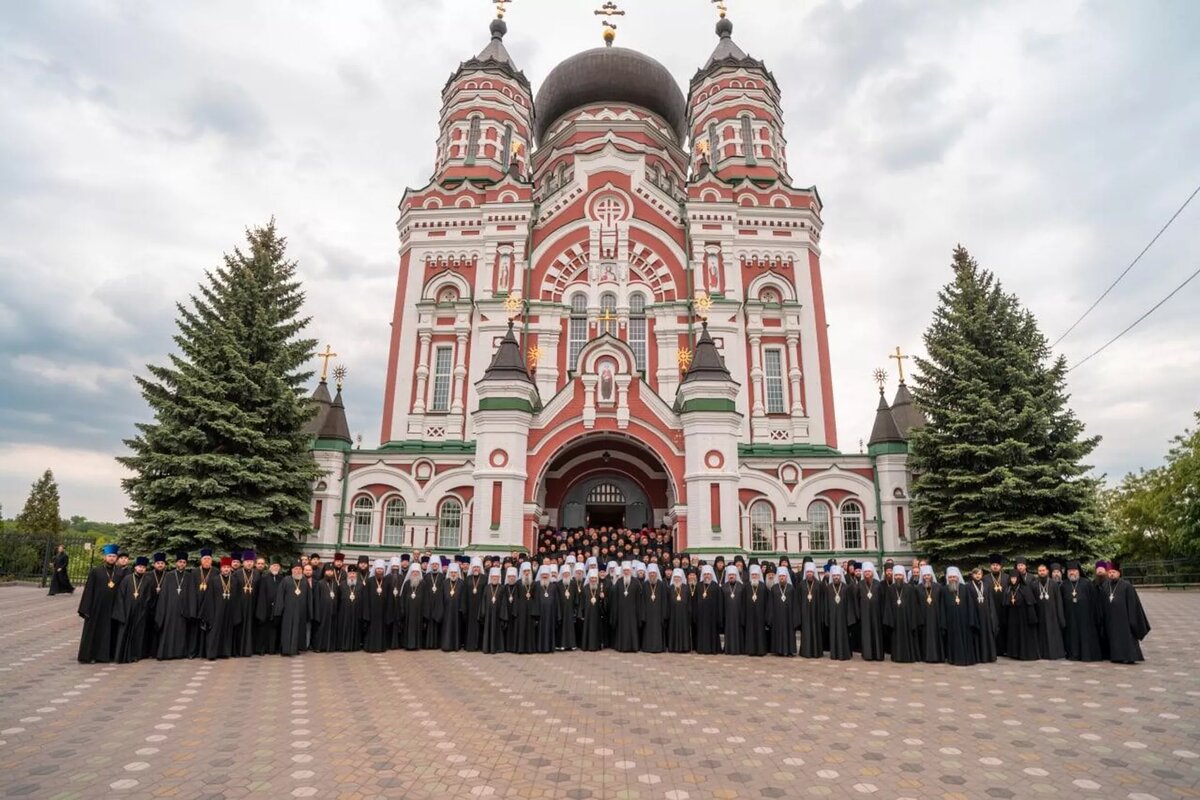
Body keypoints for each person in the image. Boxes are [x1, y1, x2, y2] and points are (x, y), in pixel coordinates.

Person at [77, 543, 122, 663]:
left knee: (111, 631)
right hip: (97, 608)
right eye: (109, 556)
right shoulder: (96, 571)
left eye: (113, 556)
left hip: (114, 607)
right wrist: (86, 608)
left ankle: (109, 655)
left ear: (116, 558)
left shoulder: (120, 572)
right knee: (95, 632)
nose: (111, 558)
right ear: (105, 557)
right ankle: (92, 656)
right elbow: (89, 590)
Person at [1100, 563, 1151, 664]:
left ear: (1119, 573)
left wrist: (1132, 620)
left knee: (1126, 637)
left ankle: (1129, 656)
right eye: (1109, 572)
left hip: (1125, 619)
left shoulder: (1127, 586)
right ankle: (1116, 657)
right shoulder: (1105, 585)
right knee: (1113, 637)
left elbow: (1133, 604)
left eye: (1113, 572)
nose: (1111, 574)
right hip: (1110, 619)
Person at [112, 556, 153, 663]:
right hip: (126, 611)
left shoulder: (148, 580)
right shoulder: (127, 579)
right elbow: (120, 596)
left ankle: (135, 655)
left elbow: (149, 597)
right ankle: (121, 655)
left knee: (138, 635)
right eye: (139, 566)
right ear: (135, 567)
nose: (141, 569)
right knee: (124, 633)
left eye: (143, 567)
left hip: (140, 612)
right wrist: (122, 611)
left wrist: (144, 610)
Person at [1062, 561, 1103, 662]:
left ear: (1078, 571)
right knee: (1072, 636)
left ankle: (1086, 655)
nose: (1072, 573)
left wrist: (1094, 616)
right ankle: (1073, 655)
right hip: (1070, 617)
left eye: (1074, 570)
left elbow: (1094, 601)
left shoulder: (1087, 583)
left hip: (1086, 617)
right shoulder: (1064, 585)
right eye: (1070, 571)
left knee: (1085, 635)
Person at [199, 556, 238, 660]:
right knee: (215, 632)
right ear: (221, 568)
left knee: (227, 631)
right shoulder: (214, 580)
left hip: (229, 610)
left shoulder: (234, 580)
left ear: (230, 568)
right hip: (216, 611)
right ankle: (212, 654)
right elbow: (209, 598)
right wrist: (210, 614)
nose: (226, 569)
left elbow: (237, 598)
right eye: (224, 567)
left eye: (228, 567)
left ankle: (225, 652)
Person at [883, 566, 919, 663]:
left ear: (903, 576)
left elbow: (913, 606)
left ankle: (908, 657)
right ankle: (897, 657)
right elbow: (888, 605)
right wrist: (889, 620)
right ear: (894, 576)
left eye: (900, 575)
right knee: (896, 638)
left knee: (908, 637)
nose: (898, 577)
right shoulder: (890, 589)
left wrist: (913, 620)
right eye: (897, 575)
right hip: (895, 620)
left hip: (907, 619)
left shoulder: (910, 588)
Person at [1031, 562, 1066, 660]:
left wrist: (1060, 618)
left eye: (1043, 570)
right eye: (1040, 571)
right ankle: (1042, 654)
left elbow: (1058, 601)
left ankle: (1054, 653)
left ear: (1047, 571)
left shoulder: (1054, 584)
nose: (1042, 572)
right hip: (1040, 614)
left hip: (1052, 615)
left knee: (1052, 634)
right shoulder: (1034, 585)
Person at [942, 567, 977, 667]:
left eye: (954, 577)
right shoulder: (944, 590)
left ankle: (967, 659)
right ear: (948, 578)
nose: (952, 579)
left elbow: (970, 605)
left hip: (964, 621)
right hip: (951, 621)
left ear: (958, 577)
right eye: (950, 577)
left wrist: (971, 620)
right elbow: (942, 607)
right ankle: (953, 659)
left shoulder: (964, 588)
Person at [275, 562, 311, 657]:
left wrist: (309, 612)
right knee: (287, 630)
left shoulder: (304, 581)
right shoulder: (286, 580)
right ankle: (285, 650)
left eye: (299, 569)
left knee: (298, 630)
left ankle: (295, 649)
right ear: (292, 570)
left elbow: (309, 598)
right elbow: (280, 596)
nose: (298, 571)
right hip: (288, 611)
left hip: (301, 611)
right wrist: (279, 611)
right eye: (295, 569)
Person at [1003, 568, 1039, 661]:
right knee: (1014, 634)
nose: (1013, 580)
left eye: (1015, 578)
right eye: (1012, 578)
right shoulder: (1008, 589)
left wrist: (1031, 618)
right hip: (1013, 617)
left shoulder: (1025, 588)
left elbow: (1030, 603)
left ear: (1019, 578)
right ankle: (1014, 653)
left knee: (1023, 635)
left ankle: (1023, 654)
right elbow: (1006, 604)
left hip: (1023, 617)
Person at [824, 565, 856, 661]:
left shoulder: (846, 588)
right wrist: (826, 617)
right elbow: (826, 604)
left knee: (844, 635)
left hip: (843, 617)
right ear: (832, 577)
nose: (836, 577)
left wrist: (849, 618)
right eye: (834, 576)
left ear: (841, 576)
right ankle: (834, 654)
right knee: (833, 634)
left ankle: (844, 654)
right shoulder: (828, 588)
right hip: (832, 616)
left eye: (838, 575)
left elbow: (849, 604)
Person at [230, 550, 258, 658]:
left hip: (252, 605)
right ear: (243, 562)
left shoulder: (256, 574)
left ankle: (249, 650)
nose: (249, 563)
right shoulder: (236, 574)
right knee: (239, 628)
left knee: (251, 628)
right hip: (240, 606)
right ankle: (238, 650)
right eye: (247, 561)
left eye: (251, 561)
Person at [856, 561, 885, 662]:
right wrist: (858, 613)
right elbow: (856, 600)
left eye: (869, 571)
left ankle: (878, 655)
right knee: (866, 634)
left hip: (876, 614)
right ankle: (867, 655)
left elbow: (882, 600)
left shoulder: (878, 584)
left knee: (877, 634)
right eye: (866, 572)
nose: (867, 573)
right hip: (864, 615)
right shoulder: (859, 585)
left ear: (872, 572)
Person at [968, 566, 999, 664]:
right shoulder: (968, 586)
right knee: (977, 635)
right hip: (975, 614)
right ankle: (978, 656)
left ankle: (988, 656)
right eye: (975, 574)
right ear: (972, 575)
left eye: (979, 574)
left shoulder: (986, 585)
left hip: (986, 616)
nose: (977, 576)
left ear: (982, 575)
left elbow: (990, 601)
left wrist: (992, 614)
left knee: (987, 634)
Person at [915, 565, 945, 663]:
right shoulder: (918, 588)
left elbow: (941, 603)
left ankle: (937, 657)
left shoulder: (938, 587)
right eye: (925, 575)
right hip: (923, 618)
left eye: (928, 575)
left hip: (936, 618)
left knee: (936, 637)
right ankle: (925, 656)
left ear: (931, 576)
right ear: (922, 576)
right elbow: (917, 604)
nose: (927, 577)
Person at [609, 562, 642, 653]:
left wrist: (638, 612)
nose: (626, 572)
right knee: (622, 629)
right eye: (625, 571)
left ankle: (633, 646)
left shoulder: (636, 582)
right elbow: (614, 598)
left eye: (628, 570)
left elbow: (639, 599)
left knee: (632, 629)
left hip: (633, 612)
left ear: (630, 571)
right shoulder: (619, 582)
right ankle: (621, 646)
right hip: (621, 612)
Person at [766, 566, 798, 657]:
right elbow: (770, 604)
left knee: (789, 633)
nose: (782, 578)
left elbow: (795, 604)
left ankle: (789, 650)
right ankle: (778, 650)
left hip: (789, 617)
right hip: (777, 616)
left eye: (783, 576)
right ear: (778, 577)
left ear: (786, 577)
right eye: (780, 576)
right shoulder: (774, 588)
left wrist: (795, 618)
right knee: (778, 632)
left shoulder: (791, 588)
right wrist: (770, 617)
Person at [310, 564, 339, 653]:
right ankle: (319, 647)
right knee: (321, 629)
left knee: (331, 629)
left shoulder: (335, 584)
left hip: (333, 611)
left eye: (331, 571)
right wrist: (317, 613)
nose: (329, 573)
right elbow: (316, 599)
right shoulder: (320, 583)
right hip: (322, 612)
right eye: (328, 571)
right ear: (324, 572)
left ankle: (329, 647)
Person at [531, 566, 560, 654]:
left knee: (549, 630)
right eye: (543, 574)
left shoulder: (553, 586)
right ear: (540, 575)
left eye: (546, 574)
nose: (544, 576)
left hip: (550, 614)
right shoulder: (536, 585)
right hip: (540, 613)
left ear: (549, 575)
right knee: (540, 631)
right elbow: (533, 598)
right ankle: (540, 648)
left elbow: (556, 601)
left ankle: (549, 648)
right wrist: (535, 614)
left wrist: (557, 614)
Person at [797, 563, 824, 658]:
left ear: (813, 573)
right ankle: (805, 652)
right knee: (806, 632)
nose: (809, 574)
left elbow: (822, 600)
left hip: (816, 613)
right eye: (808, 572)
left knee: (816, 631)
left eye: (811, 572)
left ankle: (817, 652)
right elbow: (798, 600)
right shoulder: (801, 584)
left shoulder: (819, 584)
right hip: (804, 613)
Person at [396, 565, 425, 651]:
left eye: (417, 572)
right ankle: (408, 645)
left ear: (419, 573)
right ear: (411, 573)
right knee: (408, 627)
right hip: (408, 611)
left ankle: (416, 645)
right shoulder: (407, 583)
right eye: (413, 572)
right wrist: (402, 609)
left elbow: (426, 598)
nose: (415, 573)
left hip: (419, 612)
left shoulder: (423, 583)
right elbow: (402, 598)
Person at [693, 565, 721, 654]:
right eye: (705, 574)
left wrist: (719, 617)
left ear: (711, 575)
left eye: (708, 574)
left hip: (712, 615)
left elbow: (719, 604)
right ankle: (701, 649)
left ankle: (712, 649)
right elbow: (694, 601)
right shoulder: (698, 585)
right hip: (701, 616)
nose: (706, 576)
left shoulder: (716, 586)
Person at [336, 566, 364, 652]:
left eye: (354, 573)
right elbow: (338, 599)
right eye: (350, 573)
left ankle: (354, 646)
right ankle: (343, 646)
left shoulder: (360, 585)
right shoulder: (342, 584)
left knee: (355, 628)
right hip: (344, 612)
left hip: (357, 612)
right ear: (347, 574)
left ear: (356, 574)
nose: (352, 575)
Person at [742, 564, 768, 657]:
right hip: (749, 615)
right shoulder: (746, 587)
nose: (754, 576)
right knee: (750, 632)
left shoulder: (763, 587)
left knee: (760, 633)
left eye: (756, 575)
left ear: (759, 575)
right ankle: (751, 650)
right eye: (752, 575)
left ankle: (761, 650)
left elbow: (766, 602)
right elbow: (743, 602)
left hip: (760, 615)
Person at [640, 563, 666, 654]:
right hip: (648, 614)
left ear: (657, 573)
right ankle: (647, 647)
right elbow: (642, 601)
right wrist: (643, 615)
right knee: (648, 631)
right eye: (650, 573)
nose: (652, 574)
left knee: (658, 631)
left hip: (659, 614)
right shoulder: (644, 584)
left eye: (653, 573)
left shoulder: (662, 585)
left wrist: (664, 614)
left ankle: (658, 648)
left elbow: (664, 600)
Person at [579, 568, 607, 652]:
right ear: (589, 579)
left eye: (595, 578)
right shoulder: (585, 588)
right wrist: (582, 614)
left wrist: (602, 598)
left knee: (596, 629)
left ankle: (596, 646)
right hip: (587, 614)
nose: (594, 580)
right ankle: (587, 645)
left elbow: (603, 604)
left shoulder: (599, 588)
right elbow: (582, 602)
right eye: (592, 578)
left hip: (597, 613)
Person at [441, 563, 467, 651]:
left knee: (457, 628)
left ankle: (456, 645)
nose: (453, 574)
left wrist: (462, 609)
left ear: (458, 573)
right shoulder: (444, 583)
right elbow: (441, 597)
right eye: (451, 572)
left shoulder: (461, 583)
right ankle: (446, 645)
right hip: (447, 610)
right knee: (446, 628)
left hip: (457, 611)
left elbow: (464, 597)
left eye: (455, 572)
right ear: (449, 573)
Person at [480, 567, 506, 654]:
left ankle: (497, 648)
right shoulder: (487, 588)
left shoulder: (502, 588)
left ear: (499, 577)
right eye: (493, 576)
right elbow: (483, 600)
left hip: (498, 615)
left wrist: (502, 615)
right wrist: (483, 613)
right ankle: (487, 648)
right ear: (490, 577)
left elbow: (504, 603)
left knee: (497, 630)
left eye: (496, 576)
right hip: (488, 615)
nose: (494, 578)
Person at [666, 568, 692, 653]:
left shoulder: (686, 588)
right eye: (675, 577)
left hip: (684, 615)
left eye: (678, 577)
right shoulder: (670, 588)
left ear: (682, 578)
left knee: (684, 630)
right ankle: (673, 647)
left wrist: (689, 613)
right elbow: (667, 602)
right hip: (673, 614)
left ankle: (684, 647)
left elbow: (689, 602)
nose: (677, 579)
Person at [463, 557, 487, 652]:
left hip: (480, 607)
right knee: (469, 627)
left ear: (480, 568)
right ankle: (469, 645)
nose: (476, 569)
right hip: (469, 607)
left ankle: (479, 645)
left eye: (477, 567)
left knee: (479, 626)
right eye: (474, 567)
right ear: (471, 568)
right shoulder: (468, 579)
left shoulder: (484, 579)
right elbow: (464, 594)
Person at [721, 565, 745, 656]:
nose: (731, 576)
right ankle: (729, 649)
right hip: (728, 614)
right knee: (729, 631)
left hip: (739, 614)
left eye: (733, 575)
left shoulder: (742, 587)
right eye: (730, 575)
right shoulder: (723, 587)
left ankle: (739, 649)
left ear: (736, 576)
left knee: (739, 631)